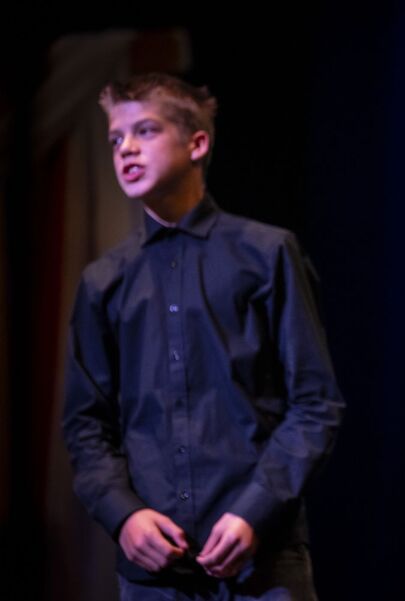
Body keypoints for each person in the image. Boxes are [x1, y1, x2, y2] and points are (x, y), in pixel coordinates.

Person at [62, 73, 344, 600]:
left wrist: (254, 510)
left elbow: (315, 403)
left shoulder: (266, 254)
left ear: (197, 142)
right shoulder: (104, 281)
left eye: (144, 131)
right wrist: (124, 517)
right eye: (115, 138)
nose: (125, 148)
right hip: (156, 574)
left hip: (262, 564)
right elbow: (86, 425)